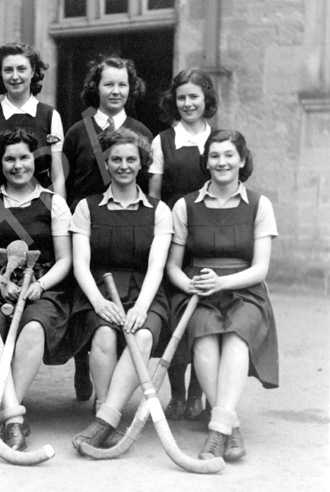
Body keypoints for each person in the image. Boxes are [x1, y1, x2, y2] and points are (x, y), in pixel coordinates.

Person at [166, 129, 278, 462]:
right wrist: (189, 286)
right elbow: (173, 266)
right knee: (203, 335)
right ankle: (229, 424)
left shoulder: (259, 205)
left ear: (242, 160)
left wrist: (223, 283)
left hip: (245, 289)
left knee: (236, 336)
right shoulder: (185, 206)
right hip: (199, 287)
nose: (222, 162)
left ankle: (218, 430)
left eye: (229, 155)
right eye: (214, 155)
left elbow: (260, 269)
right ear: (206, 161)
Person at [0, 128, 72, 451]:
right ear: (0, 163)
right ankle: (13, 419)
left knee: (35, 327)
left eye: (24, 157)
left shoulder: (53, 204)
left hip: (40, 286)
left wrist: (39, 285)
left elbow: (65, 260)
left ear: (34, 160)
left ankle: (5, 403)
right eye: (9, 159)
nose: (17, 165)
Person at [69, 129, 172, 452]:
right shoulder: (87, 207)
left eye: (131, 159)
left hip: (145, 291)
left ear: (142, 163)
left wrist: (141, 307)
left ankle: (106, 419)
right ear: (107, 163)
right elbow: (80, 264)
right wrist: (98, 302)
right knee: (102, 334)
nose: (123, 165)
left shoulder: (159, 210)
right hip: (99, 289)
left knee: (141, 335)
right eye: (116, 159)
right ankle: (104, 408)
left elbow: (157, 266)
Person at [63, 54, 153, 401]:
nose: (115, 91)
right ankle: (81, 366)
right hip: (84, 227)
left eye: (122, 85)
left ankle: (110, 379)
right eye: (108, 84)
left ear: (131, 89)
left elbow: (146, 185)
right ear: (95, 88)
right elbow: (66, 184)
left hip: (125, 228)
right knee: (84, 301)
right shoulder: (77, 132)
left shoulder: (141, 133)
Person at [148, 68, 219, 422]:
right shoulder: (163, 141)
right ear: (173, 102)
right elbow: (155, 194)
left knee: (208, 316)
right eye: (181, 97)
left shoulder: (219, 140)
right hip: (176, 235)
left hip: (211, 236)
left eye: (194, 96)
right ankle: (177, 394)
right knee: (176, 313)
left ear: (207, 99)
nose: (188, 103)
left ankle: (198, 394)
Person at [0, 43, 65, 202]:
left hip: (38, 206)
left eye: (21, 69)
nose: (15, 76)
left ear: (32, 71)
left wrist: (60, 215)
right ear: (0, 74)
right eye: (8, 70)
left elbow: (57, 175)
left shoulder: (50, 116)